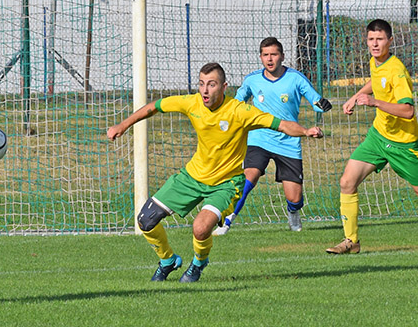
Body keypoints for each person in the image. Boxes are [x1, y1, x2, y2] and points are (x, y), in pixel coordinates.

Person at [107, 62, 324, 282]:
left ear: (224, 86)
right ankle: (168, 261)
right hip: (192, 177)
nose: (205, 90)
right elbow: (154, 106)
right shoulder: (192, 102)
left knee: (200, 229)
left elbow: (280, 124)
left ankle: (198, 264)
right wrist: (122, 126)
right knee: (146, 220)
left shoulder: (240, 111)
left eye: (211, 84)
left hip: (225, 184)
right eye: (201, 84)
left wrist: (306, 131)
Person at [327, 19, 418, 254]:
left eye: (379, 39)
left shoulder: (397, 71)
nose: (375, 44)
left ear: (390, 41)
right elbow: (376, 81)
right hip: (378, 137)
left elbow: (408, 111)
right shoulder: (375, 62)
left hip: (404, 145)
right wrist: (355, 96)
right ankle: (351, 240)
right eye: (371, 39)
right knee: (347, 182)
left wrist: (375, 102)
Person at [213, 37, 331, 236]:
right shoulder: (252, 80)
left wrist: (323, 104)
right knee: (249, 177)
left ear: (282, 56)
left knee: (294, 198)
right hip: (259, 138)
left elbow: (315, 99)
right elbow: (236, 104)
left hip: (289, 141)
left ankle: (293, 212)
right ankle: (226, 221)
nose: (270, 59)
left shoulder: (295, 78)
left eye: (274, 54)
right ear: (260, 57)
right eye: (266, 55)